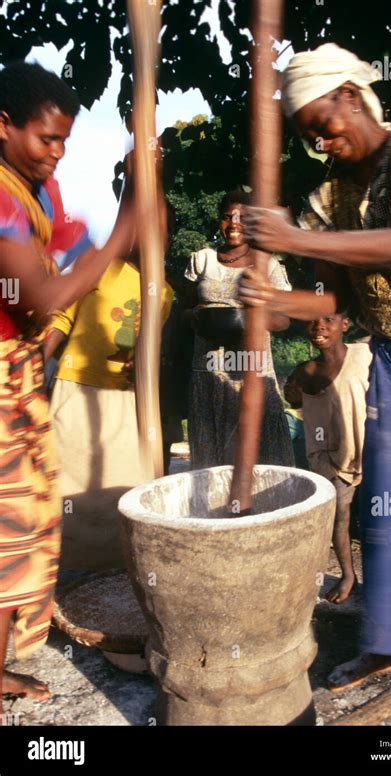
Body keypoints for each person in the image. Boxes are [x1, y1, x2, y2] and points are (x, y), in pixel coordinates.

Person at [239, 43, 391, 690]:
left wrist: (291, 238)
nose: (321, 142)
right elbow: (335, 300)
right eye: (309, 135)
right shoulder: (331, 199)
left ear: (351, 95)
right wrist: (271, 298)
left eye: (324, 123)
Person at [0, 62, 135, 711]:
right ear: (3, 125)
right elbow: (43, 296)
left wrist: (136, 206)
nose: (56, 154)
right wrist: (122, 234)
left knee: (19, 528)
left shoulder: (36, 193)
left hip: (18, 380)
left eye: (64, 142)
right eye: (45, 138)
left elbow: (69, 247)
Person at [43, 227, 174, 571]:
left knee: (120, 488)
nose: (157, 239)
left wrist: (143, 368)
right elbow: (60, 317)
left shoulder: (165, 293)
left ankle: (111, 573)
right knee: (66, 485)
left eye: (166, 233)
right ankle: (66, 571)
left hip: (126, 401)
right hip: (76, 388)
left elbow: (149, 346)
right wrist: (33, 368)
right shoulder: (99, 266)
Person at [184, 191, 294, 469]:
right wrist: (197, 317)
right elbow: (183, 310)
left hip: (252, 371)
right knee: (213, 463)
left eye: (242, 218)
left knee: (262, 458)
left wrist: (250, 319)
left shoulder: (266, 263)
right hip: (208, 372)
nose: (233, 224)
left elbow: (284, 319)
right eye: (227, 217)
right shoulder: (202, 260)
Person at [287, 314, 371, 604]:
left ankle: (383, 576)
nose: (318, 325)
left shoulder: (364, 354)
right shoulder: (306, 371)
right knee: (340, 518)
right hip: (333, 458)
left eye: (329, 319)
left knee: (377, 516)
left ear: (345, 324)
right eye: (311, 321)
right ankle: (349, 576)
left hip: (370, 448)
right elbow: (294, 400)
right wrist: (295, 391)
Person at [283, 371, 308, 470]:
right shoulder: (318, 417)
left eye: (299, 383)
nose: (289, 386)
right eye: (289, 381)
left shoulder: (289, 418)